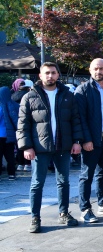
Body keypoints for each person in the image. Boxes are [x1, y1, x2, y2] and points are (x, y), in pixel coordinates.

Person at [18, 62, 82, 233]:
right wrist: (26, 147)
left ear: (58, 75)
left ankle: (63, 213)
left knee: (64, 182)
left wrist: (77, 141)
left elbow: (75, 120)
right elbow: (22, 124)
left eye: (53, 73)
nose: (50, 76)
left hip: (63, 145)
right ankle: (35, 217)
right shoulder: (30, 96)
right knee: (37, 183)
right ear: (40, 75)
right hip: (39, 147)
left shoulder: (67, 95)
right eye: (46, 73)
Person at [74, 58, 103, 223]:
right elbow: (80, 118)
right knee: (86, 175)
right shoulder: (83, 90)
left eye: (101, 68)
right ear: (90, 70)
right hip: (91, 140)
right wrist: (85, 139)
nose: (98, 72)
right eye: (95, 68)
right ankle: (85, 209)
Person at [10, 80, 30, 172]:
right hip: (27, 121)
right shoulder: (28, 96)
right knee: (28, 143)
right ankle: (27, 164)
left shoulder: (11, 96)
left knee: (20, 144)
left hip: (16, 123)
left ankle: (20, 164)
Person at [0, 87, 17, 180]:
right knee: (10, 155)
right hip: (9, 135)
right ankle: (11, 174)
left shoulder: (0, 106)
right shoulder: (13, 105)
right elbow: (16, 120)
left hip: (0, 135)